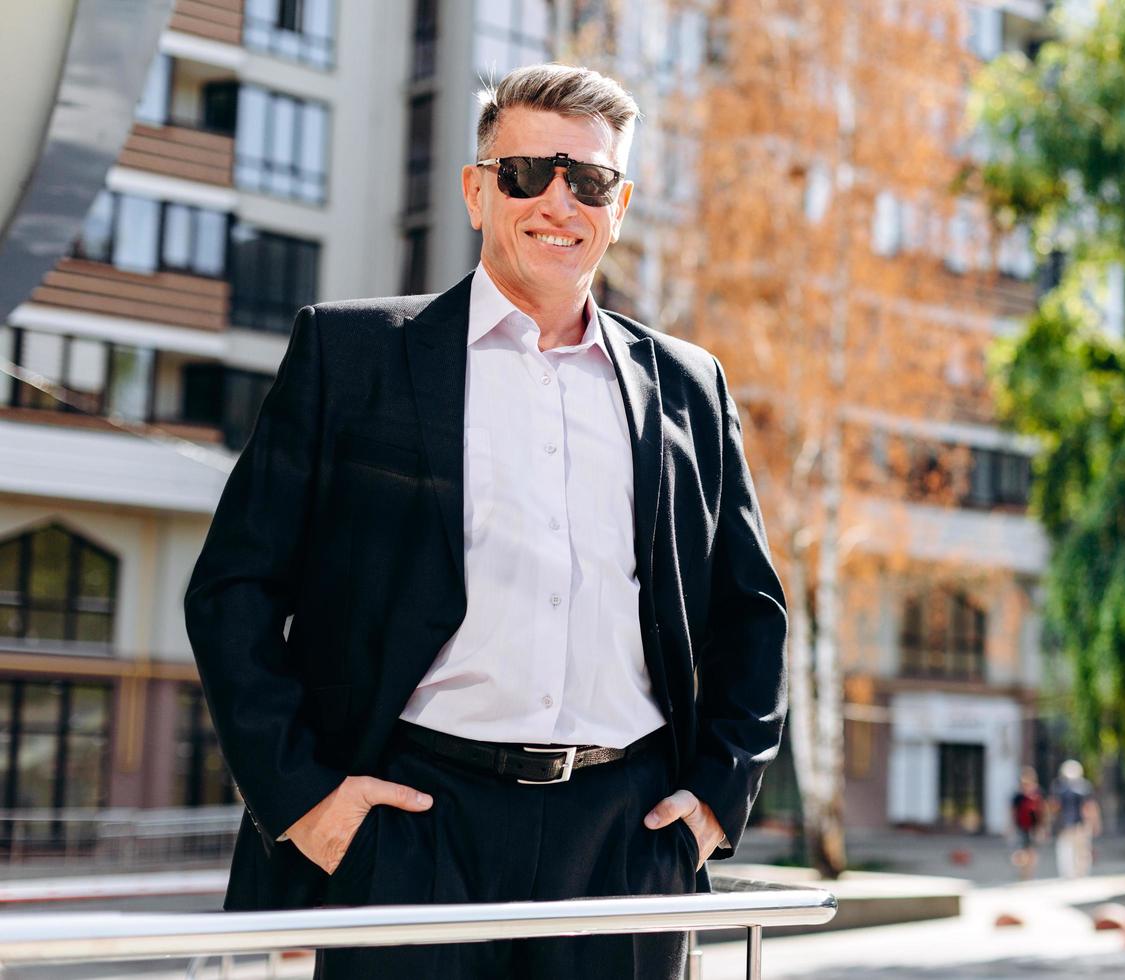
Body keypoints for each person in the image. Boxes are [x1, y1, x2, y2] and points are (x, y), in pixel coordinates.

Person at [184, 64, 787, 979]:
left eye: (587, 180)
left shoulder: (689, 387)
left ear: (617, 205)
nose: (558, 200)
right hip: (412, 831)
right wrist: (305, 801)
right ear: (476, 191)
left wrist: (714, 798)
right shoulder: (350, 357)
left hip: (624, 839)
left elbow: (753, 613)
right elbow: (233, 590)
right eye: (525, 173)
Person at [1050, 759, 1102, 878]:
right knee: (1080, 850)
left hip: (1068, 824)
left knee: (1068, 850)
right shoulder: (1083, 787)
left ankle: (1071, 873)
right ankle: (1080, 872)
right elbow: (1090, 807)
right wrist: (1095, 823)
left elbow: (1054, 807)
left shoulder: (1059, 787)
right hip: (1078, 824)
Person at [1009, 766, 1045, 880]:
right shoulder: (1018, 796)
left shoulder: (1038, 794)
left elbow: (1042, 810)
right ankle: (1023, 872)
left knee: (1032, 851)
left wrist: (1042, 827)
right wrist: (1010, 826)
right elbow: (1012, 811)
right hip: (1021, 826)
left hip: (1034, 827)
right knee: (1022, 851)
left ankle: (1029, 873)